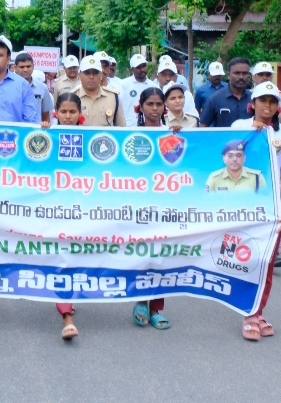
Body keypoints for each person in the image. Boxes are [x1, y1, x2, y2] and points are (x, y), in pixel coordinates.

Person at [229, 82, 281, 341]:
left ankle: (256, 311)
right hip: (242, 207)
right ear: (252, 104)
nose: (267, 106)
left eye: (272, 101)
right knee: (247, 260)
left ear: (279, 106)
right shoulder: (239, 127)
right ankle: (249, 311)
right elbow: (227, 156)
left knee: (266, 263)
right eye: (262, 100)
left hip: (271, 208)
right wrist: (252, 133)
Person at [38, 92, 87, 339]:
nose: (68, 116)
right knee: (61, 257)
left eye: (73, 112)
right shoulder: (46, 135)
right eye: (64, 112)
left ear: (80, 114)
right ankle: (66, 315)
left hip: (83, 209)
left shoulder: (93, 138)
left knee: (76, 258)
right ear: (55, 113)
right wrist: (41, 133)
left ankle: (70, 296)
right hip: (54, 208)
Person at [131, 87, 174, 329]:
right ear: (141, 107)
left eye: (159, 104)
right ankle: (140, 300)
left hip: (165, 204)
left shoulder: (173, 133)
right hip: (138, 204)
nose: (155, 109)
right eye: (150, 104)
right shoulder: (130, 135)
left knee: (160, 257)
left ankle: (157, 308)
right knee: (140, 255)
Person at [72, 55, 125, 127]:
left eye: (95, 73)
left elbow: (121, 128)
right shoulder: (71, 97)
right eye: (87, 73)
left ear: (101, 74)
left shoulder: (113, 97)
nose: (91, 77)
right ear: (79, 75)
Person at [200, 57, 252, 127]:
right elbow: (203, 126)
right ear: (228, 75)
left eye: (245, 73)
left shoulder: (254, 99)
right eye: (237, 73)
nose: (241, 77)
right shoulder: (215, 99)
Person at [14, 53, 53, 123]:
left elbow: (45, 114)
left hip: (35, 128)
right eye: (22, 67)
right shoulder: (9, 87)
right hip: (14, 128)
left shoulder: (42, 88)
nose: (25, 69)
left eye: (28, 66)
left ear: (33, 66)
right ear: (15, 68)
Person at [121, 54, 157, 127]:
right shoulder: (123, 84)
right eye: (138, 67)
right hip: (128, 127)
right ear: (131, 70)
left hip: (147, 128)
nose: (142, 69)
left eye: (144, 66)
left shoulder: (154, 86)